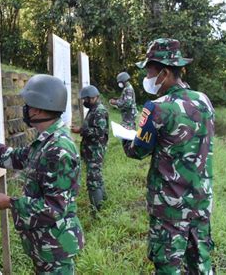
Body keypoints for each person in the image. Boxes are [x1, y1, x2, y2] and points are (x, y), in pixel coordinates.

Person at [0, 74, 84, 274]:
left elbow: (55, 208)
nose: (26, 109)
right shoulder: (47, 141)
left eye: (28, 104)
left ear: (39, 108)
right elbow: (18, 157)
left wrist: (9, 202)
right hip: (45, 244)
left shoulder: (59, 149)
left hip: (55, 247)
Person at [122, 38, 215, 274]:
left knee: (167, 266)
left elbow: (137, 151)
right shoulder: (203, 100)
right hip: (201, 203)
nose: (147, 77)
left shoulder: (158, 108)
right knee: (201, 264)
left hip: (169, 209)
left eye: (150, 71)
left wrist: (126, 137)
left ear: (164, 72)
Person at [71, 85, 109, 212]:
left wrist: (80, 130)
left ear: (95, 97)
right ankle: (103, 202)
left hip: (95, 150)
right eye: (84, 99)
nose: (85, 102)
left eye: (87, 99)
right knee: (96, 176)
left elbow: (99, 132)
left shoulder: (99, 111)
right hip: (91, 150)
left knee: (93, 179)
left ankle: (97, 210)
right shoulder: (93, 109)